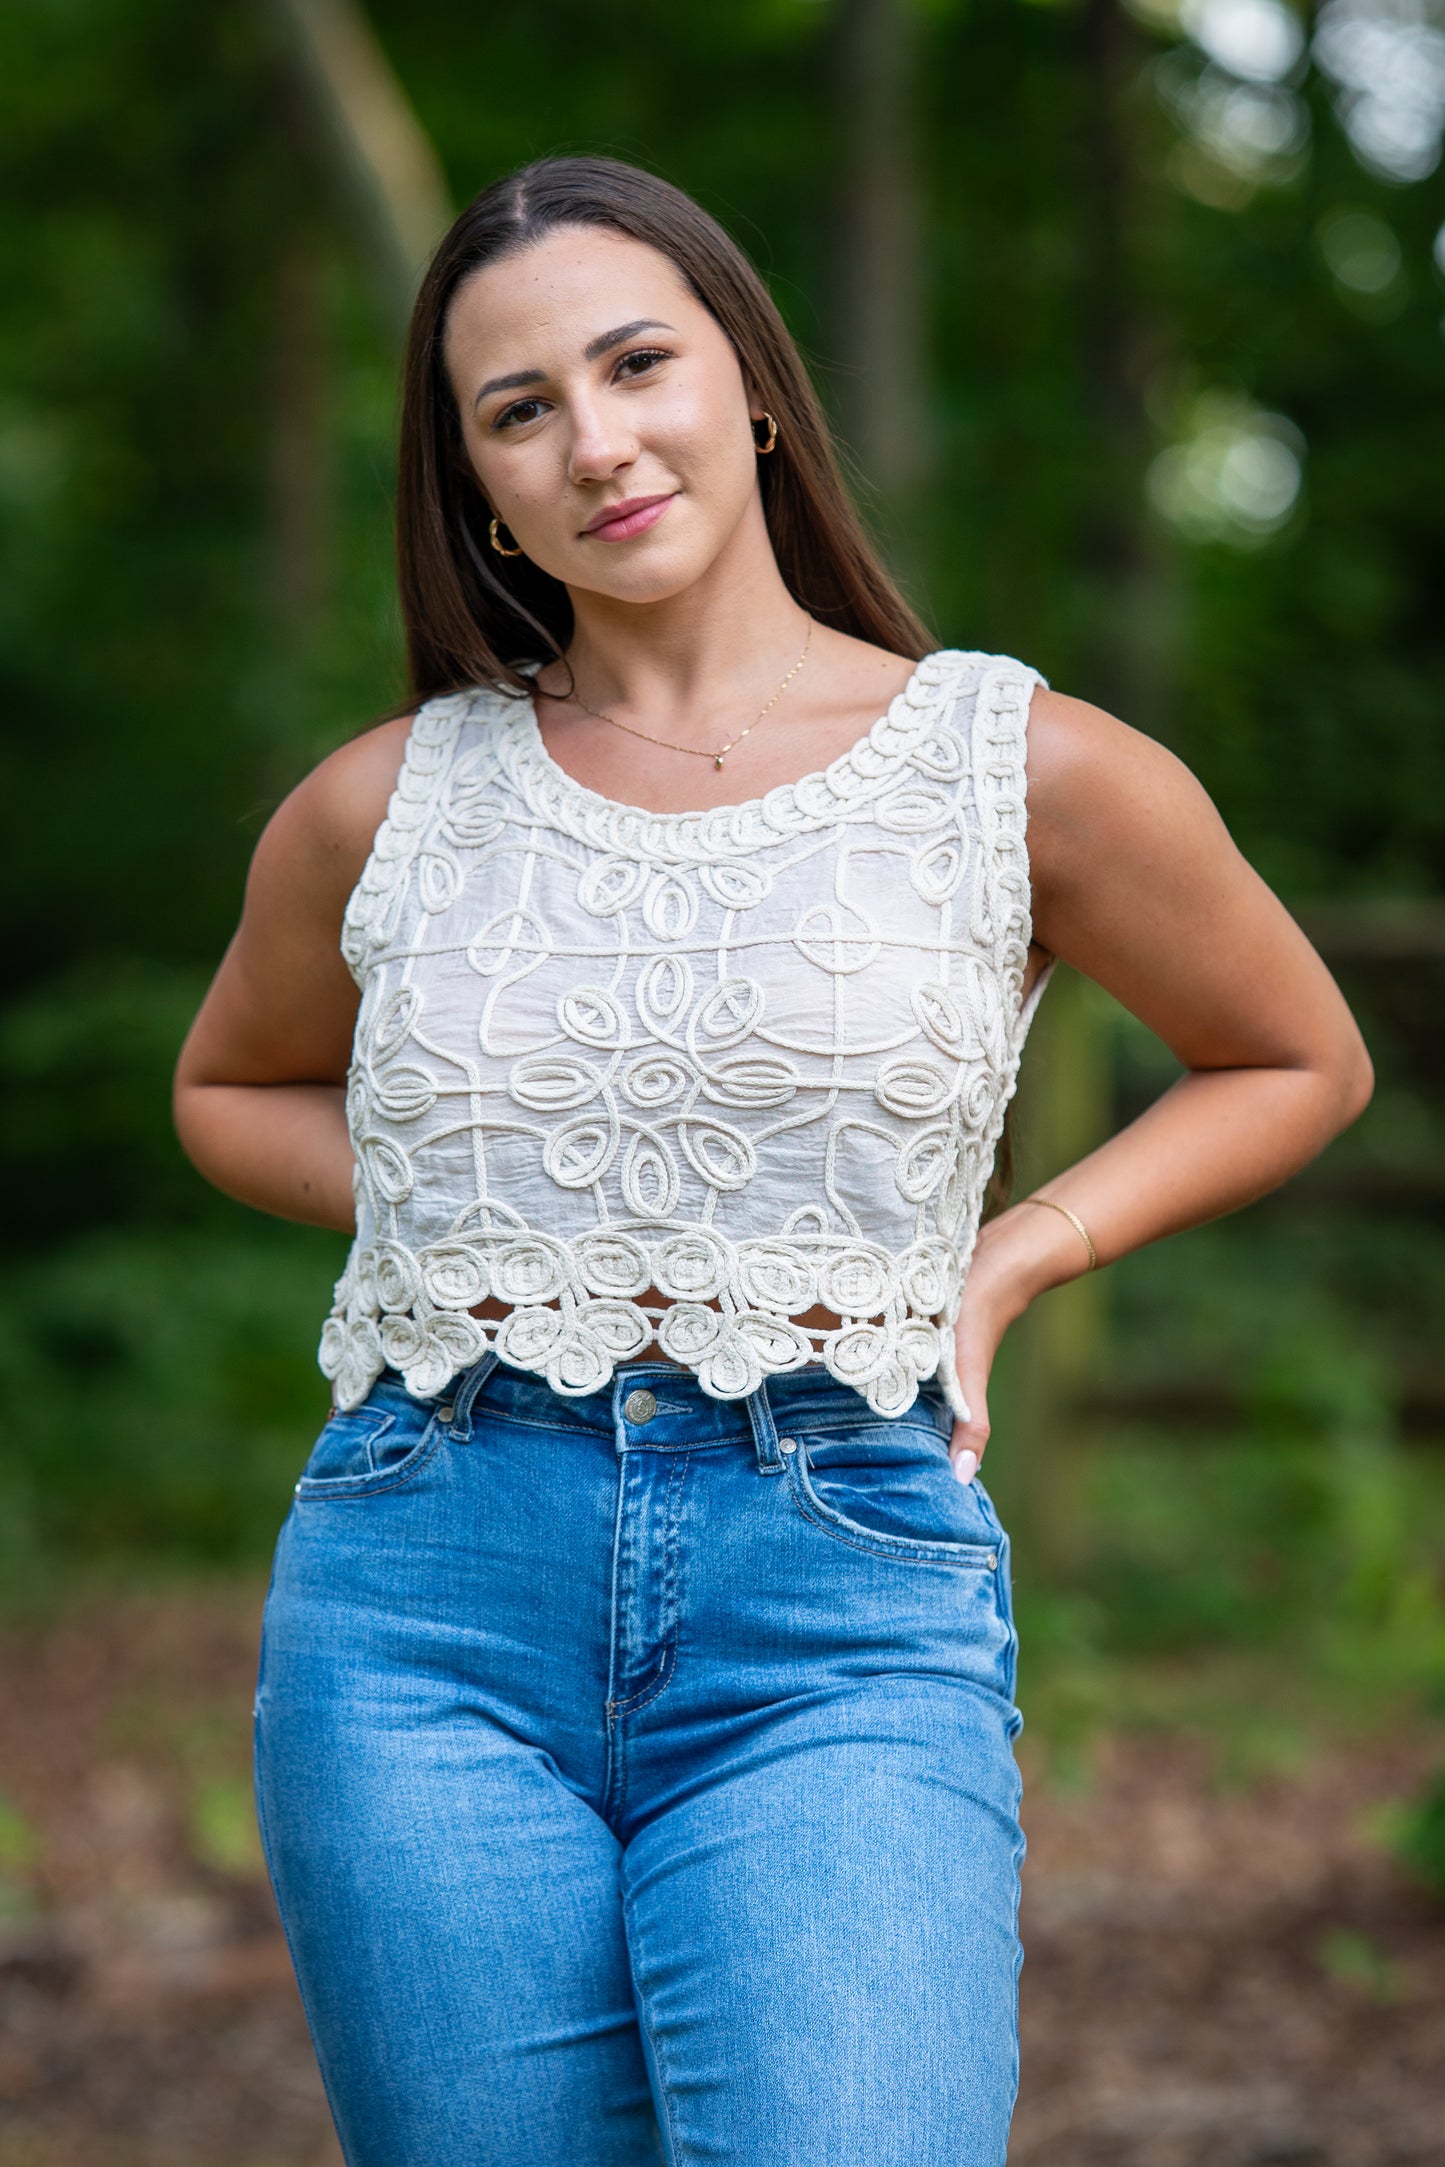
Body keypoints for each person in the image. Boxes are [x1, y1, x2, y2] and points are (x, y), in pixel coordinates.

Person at [172, 155, 1373, 2167]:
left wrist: (1013, 1257)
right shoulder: (383, 805)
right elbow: (230, 1088)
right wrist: (499, 1215)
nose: (597, 439)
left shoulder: (1017, 766)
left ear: (750, 385)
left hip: (839, 1599)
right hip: (422, 1606)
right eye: (520, 407)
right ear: (476, 482)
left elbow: (1295, 1053)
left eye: (636, 362)